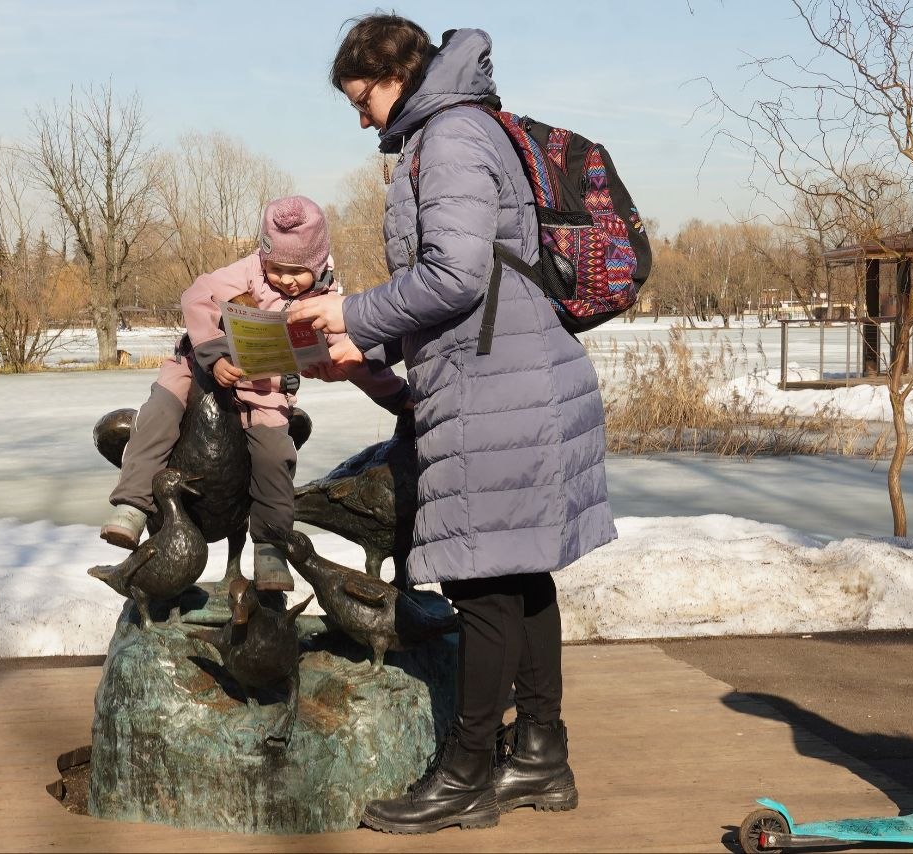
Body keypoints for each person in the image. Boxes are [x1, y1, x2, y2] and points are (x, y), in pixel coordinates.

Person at [288, 15, 617, 834]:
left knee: (482, 585)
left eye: (362, 96)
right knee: (521, 573)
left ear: (397, 73)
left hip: (500, 392)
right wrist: (362, 348)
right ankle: (539, 755)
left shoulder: (454, 136)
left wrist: (351, 311)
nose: (361, 116)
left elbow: (457, 276)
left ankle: (467, 771)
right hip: (511, 379)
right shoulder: (459, 132)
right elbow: (470, 288)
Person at [102, 195, 410, 592]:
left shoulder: (326, 304)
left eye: (296, 271)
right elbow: (196, 296)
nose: (283, 279)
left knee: (275, 454)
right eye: (277, 268)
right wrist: (213, 356)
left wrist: (396, 395)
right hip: (199, 369)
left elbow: (353, 359)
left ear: (317, 264)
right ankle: (133, 504)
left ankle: (269, 546)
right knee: (159, 411)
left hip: (265, 386)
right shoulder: (248, 272)